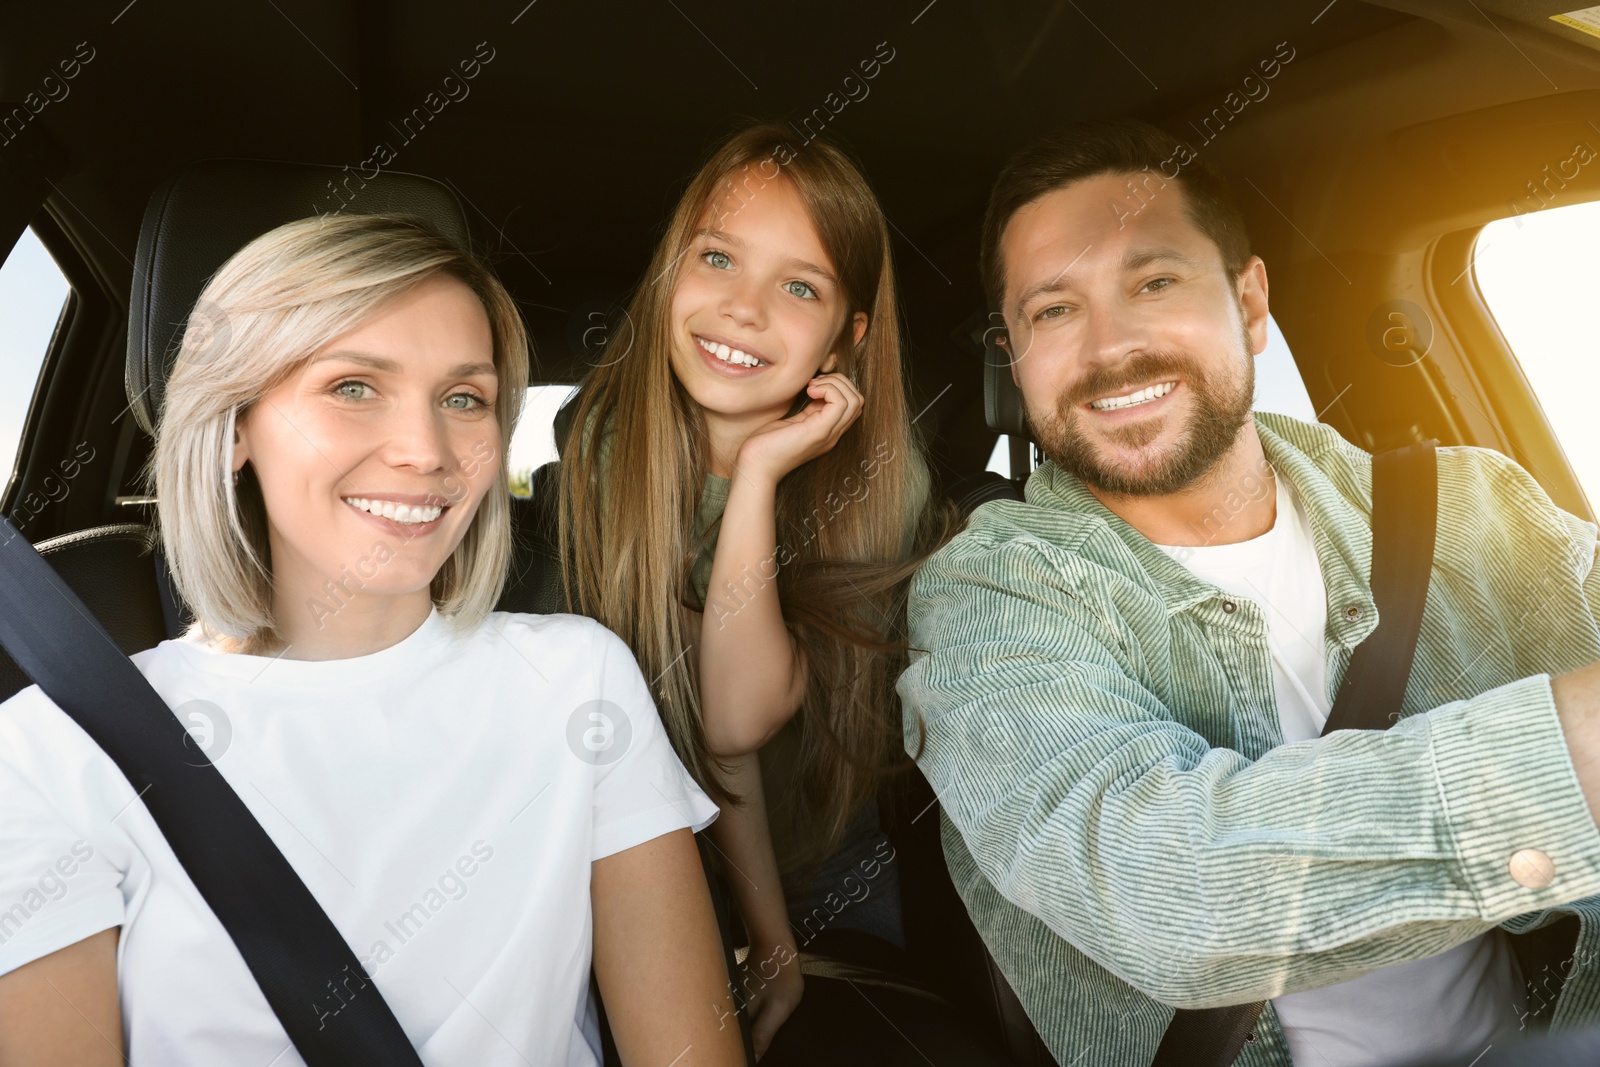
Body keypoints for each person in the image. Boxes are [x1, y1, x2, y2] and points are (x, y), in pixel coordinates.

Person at [899, 117, 1600, 1067]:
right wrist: (1566, 755)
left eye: (1154, 282)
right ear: (1016, 361)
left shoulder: (1470, 506)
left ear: (1250, 301)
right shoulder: (991, 598)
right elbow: (1163, 889)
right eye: (1053, 312)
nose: (1111, 347)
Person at [0, 213, 743, 1067]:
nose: (425, 451)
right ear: (237, 420)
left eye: (464, 398)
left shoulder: (580, 682)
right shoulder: (52, 751)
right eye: (354, 386)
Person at [554, 122, 990, 1062]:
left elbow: (744, 720)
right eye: (717, 258)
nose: (743, 309)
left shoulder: (885, 485)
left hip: (834, 858)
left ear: (847, 337)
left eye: (801, 286)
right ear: (673, 271)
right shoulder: (607, 451)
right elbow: (713, 728)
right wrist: (766, 939)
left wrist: (757, 476)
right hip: (652, 862)